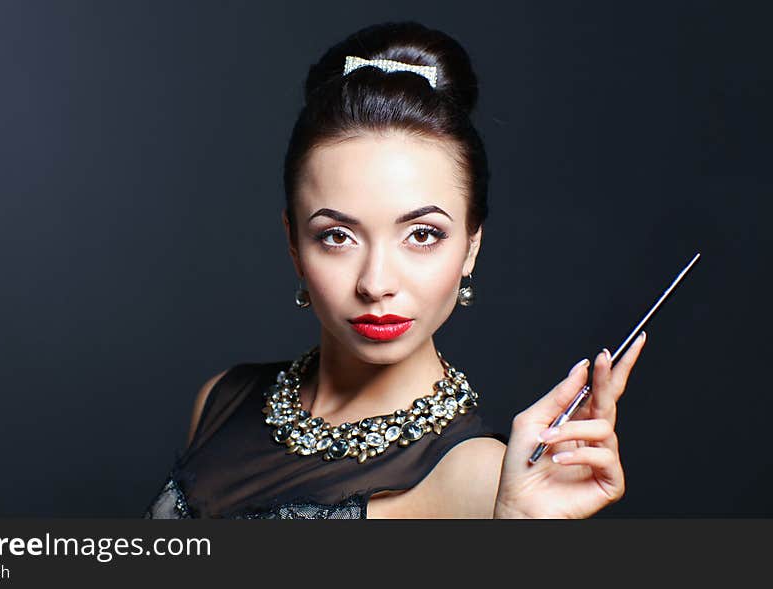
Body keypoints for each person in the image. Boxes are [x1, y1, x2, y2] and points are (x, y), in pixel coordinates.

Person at [144, 20, 646, 519]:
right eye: (336, 236)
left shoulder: (485, 479)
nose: (376, 283)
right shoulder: (222, 399)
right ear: (294, 243)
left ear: (472, 246)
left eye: (422, 235)